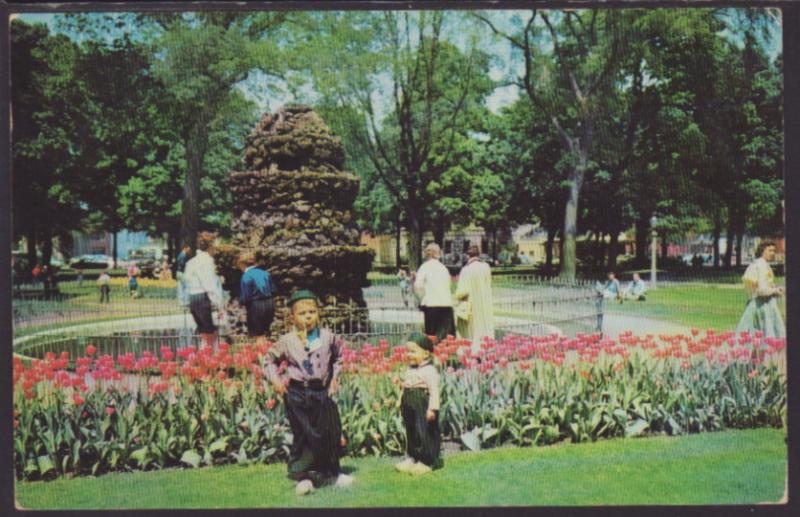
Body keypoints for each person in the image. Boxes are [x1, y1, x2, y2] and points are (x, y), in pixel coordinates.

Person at [264, 289, 353, 496]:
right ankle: (302, 477)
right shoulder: (287, 340)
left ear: (318, 313)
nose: (308, 317)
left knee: (327, 431)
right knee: (303, 434)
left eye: (312, 312)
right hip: (297, 393)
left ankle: (331, 472)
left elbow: (339, 357)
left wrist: (334, 379)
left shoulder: (328, 337)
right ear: (292, 317)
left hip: (320, 391)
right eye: (302, 313)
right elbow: (268, 360)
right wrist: (276, 380)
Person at [395, 332, 442, 475]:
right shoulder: (410, 369)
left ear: (426, 353)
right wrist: (400, 399)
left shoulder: (430, 371)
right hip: (409, 403)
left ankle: (426, 460)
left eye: (412, 351)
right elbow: (407, 385)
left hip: (422, 403)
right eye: (407, 351)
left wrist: (433, 409)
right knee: (412, 430)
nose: (408, 355)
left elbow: (434, 391)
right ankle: (413, 456)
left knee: (423, 430)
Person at [184, 232, 224, 351]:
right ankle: (212, 364)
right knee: (211, 336)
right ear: (210, 246)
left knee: (205, 336)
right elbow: (209, 285)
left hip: (193, 297)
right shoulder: (207, 261)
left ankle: (203, 364)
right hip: (202, 297)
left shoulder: (191, 262)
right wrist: (219, 305)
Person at [736, 241, 785, 338]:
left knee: (754, 332)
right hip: (763, 304)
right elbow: (761, 290)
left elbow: (763, 285)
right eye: (769, 250)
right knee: (766, 332)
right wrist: (775, 291)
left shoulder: (757, 263)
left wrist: (774, 288)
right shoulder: (762, 265)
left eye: (774, 251)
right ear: (762, 251)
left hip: (755, 302)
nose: (772, 253)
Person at [454, 245, 494, 351]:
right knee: (485, 325)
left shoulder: (466, 270)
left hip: (471, 304)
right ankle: (486, 347)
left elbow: (462, 291)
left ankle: (473, 349)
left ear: (468, 254)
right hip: (485, 301)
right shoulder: (486, 267)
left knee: (472, 329)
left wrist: (455, 297)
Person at [413, 243, 455, 342]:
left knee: (432, 338)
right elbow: (449, 285)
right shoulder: (444, 268)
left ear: (429, 253)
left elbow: (418, 286)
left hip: (432, 305)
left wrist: (422, 299)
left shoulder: (425, 267)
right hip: (447, 305)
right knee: (446, 338)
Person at [238, 251, 278, 341]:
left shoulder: (246, 276)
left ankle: (260, 353)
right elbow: (274, 290)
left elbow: (246, 296)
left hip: (256, 306)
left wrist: (240, 302)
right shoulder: (265, 273)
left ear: (242, 264)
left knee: (257, 333)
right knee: (266, 331)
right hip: (270, 303)